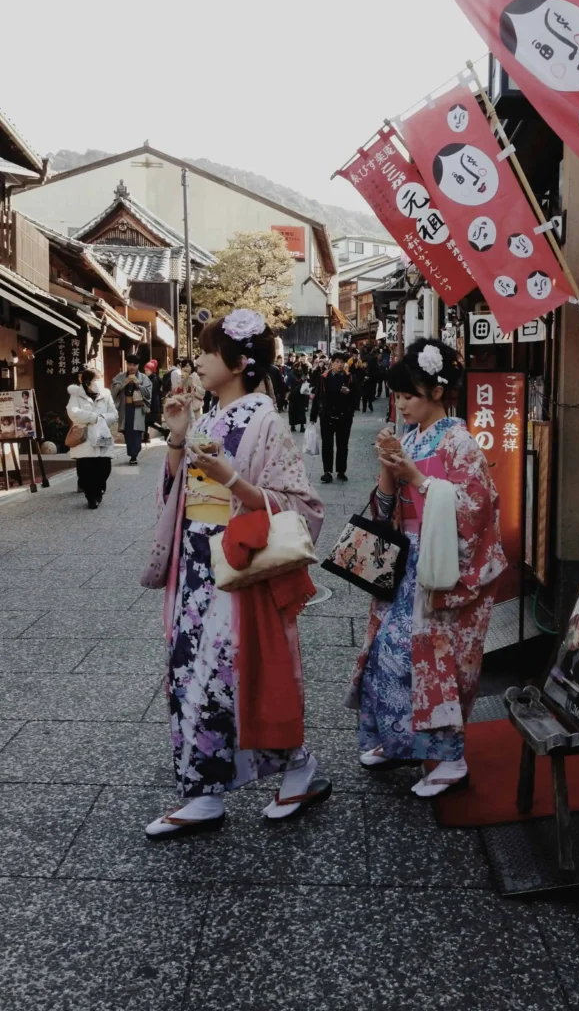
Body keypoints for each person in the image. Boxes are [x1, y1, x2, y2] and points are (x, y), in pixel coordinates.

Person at [144, 308, 329, 839]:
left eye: (206, 351)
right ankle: (202, 792)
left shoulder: (265, 419)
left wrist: (235, 483)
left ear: (240, 361)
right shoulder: (203, 417)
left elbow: (303, 507)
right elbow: (176, 498)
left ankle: (297, 767)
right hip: (195, 565)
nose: (197, 360)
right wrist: (178, 438)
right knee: (189, 671)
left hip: (237, 565)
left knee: (241, 675)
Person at [345, 339, 507, 797]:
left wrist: (417, 477)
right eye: (397, 396)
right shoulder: (413, 438)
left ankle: (450, 759)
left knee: (435, 663)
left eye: (408, 395)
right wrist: (387, 469)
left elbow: (476, 509)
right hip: (408, 563)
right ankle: (400, 743)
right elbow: (385, 509)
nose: (400, 404)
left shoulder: (461, 442)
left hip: (443, 568)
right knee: (387, 655)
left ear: (437, 392)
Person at [66, 369, 118, 508]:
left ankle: (99, 490)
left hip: (102, 435)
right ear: (88, 382)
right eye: (97, 379)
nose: (100, 382)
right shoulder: (76, 394)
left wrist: (101, 418)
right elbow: (73, 412)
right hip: (84, 437)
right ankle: (90, 497)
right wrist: (93, 418)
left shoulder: (106, 394)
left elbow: (114, 414)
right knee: (85, 470)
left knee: (104, 468)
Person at [310, 352, 355, 484]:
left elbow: (357, 396)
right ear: (332, 362)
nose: (340, 364)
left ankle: (341, 471)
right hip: (327, 416)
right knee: (327, 444)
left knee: (342, 444)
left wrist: (349, 393)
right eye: (337, 362)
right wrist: (313, 417)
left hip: (344, 416)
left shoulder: (349, 378)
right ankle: (327, 472)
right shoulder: (324, 377)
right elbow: (317, 396)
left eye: (342, 362)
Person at [111, 354, 152, 465]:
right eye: (130, 364)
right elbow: (113, 393)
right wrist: (124, 383)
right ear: (127, 364)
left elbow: (148, 394)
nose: (132, 367)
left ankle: (134, 455)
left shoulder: (143, 378)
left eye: (134, 365)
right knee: (127, 431)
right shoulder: (120, 376)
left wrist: (138, 384)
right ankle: (132, 454)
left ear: (138, 366)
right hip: (125, 407)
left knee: (137, 431)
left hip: (137, 408)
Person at [286, 360, 310, 433]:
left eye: (300, 366)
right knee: (293, 411)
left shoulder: (302, 373)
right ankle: (293, 426)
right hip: (293, 395)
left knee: (301, 411)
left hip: (301, 395)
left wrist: (305, 379)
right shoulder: (292, 373)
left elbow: (304, 380)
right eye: (298, 366)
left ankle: (302, 426)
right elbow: (291, 382)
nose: (299, 368)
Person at [143, 360, 163, 441]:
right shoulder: (151, 378)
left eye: (147, 370)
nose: (145, 372)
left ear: (152, 370)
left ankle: (164, 431)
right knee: (147, 422)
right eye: (145, 370)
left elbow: (150, 392)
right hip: (152, 403)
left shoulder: (154, 379)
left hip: (152, 403)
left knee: (149, 421)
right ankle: (146, 437)